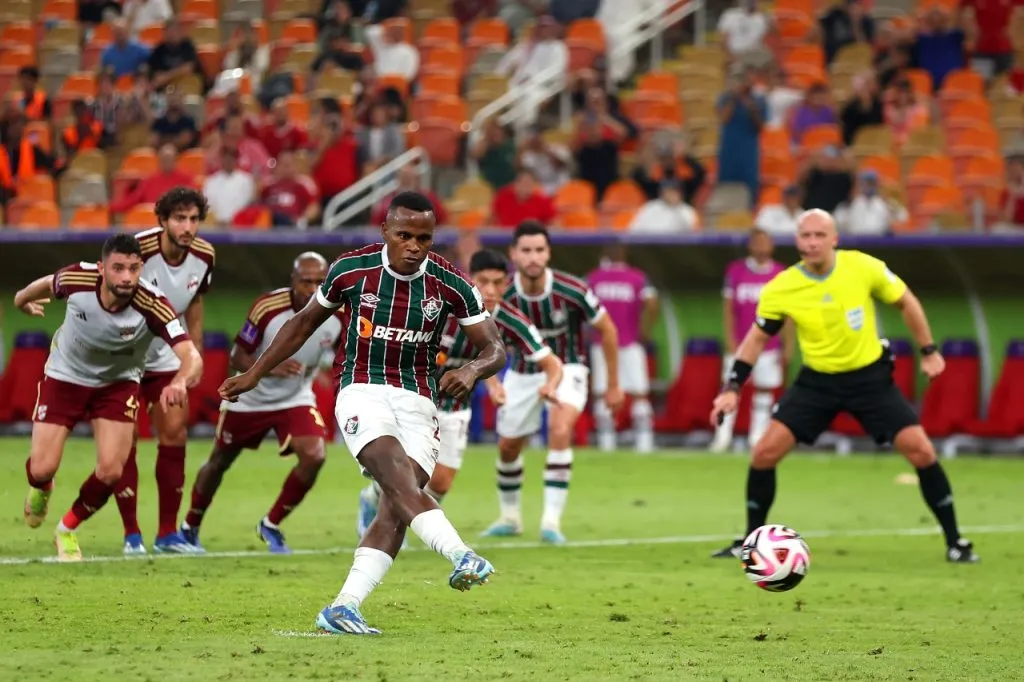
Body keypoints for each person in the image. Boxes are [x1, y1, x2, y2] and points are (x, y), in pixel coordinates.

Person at [219, 191, 507, 635]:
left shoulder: (451, 283)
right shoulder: (351, 270)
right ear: (385, 233)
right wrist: (256, 372)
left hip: (419, 401)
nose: (414, 245)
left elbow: (495, 348)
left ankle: (343, 607)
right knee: (397, 477)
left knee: (396, 507)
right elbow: (302, 324)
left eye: (424, 238)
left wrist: (471, 370)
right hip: (362, 389)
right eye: (405, 235)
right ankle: (460, 554)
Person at [709, 209, 979, 563]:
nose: (812, 242)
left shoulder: (863, 267)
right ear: (797, 241)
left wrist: (928, 351)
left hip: (869, 379)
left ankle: (955, 542)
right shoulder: (782, 286)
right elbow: (756, 339)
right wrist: (732, 388)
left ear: (834, 239)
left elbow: (906, 300)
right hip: (817, 382)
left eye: (820, 235)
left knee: (922, 451)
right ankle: (750, 542)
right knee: (763, 453)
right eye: (805, 235)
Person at [16, 234, 202, 562]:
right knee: (43, 468)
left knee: (111, 471)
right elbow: (45, 284)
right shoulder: (77, 278)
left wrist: (180, 381)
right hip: (65, 377)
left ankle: (67, 529)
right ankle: (42, 487)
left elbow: (191, 355)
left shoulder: (153, 303)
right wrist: (21, 300)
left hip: (117, 385)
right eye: (118, 268)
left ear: (141, 268)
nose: (127, 277)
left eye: (133, 268)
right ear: (102, 268)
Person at [357, 248, 563, 534]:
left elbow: (551, 363)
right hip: (415, 394)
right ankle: (389, 525)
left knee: (440, 482)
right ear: (471, 279)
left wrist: (549, 385)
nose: (490, 290)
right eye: (484, 281)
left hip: (455, 406)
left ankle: (374, 498)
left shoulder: (512, 320)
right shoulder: (444, 304)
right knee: (409, 472)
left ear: (507, 283)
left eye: (498, 282)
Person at [182, 253, 341, 553]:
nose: (313, 288)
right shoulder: (268, 307)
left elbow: (336, 347)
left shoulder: (338, 311)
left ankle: (271, 524)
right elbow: (237, 356)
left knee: (315, 456)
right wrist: (270, 366)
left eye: (320, 281)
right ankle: (190, 526)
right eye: (306, 281)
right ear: (292, 282)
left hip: (295, 397)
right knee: (220, 462)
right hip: (250, 399)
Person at [483, 221, 623, 544]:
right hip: (522, 372)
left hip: (569, 367)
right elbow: (485, 342)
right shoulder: (501, 293)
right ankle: (510, 516)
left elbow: (609, 330)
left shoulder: (573, 289)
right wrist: (494, 383)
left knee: (560, 429)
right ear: (514, 254)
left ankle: (551, 522)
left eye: (539, 250)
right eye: (526, 250)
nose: (533, 257)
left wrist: (613, 384)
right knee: (508, 446)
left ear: (548, 253)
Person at [113, 187, 215, 555]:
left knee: (174, 434)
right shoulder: (136, 250)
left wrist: (196, 351)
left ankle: (168, 533)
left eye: (193, 219)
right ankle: (131, 535)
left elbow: (197, 301)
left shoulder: (205, 255)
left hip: (169, 356)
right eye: (179, 218)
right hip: (125, 356)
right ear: (162, 221)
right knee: (124, 442)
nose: (187, 227)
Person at [710, 229, 790, 453]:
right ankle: (722, 437)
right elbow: (728, 309)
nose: (762, 247)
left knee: (764, 391)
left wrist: (787, 344)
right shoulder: (735, 271)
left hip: (770, 345)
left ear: (772, 246)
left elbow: (787, 315)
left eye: (766, 242)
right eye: (758, 243)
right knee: (730, 389)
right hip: (742, 344)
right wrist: (729, 339)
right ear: (750, 246)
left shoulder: (780, 273)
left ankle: (757, 438)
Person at [586, 243, 658, 453]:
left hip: (603, 344)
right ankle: (645, 444)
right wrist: (644, 329)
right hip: (629, 342)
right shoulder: (637, 277)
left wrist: (589, 330)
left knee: (603, 393)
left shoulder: (594, 278)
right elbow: (653, 303)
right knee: (639, 394)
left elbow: (579, 306)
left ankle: (606, 444)